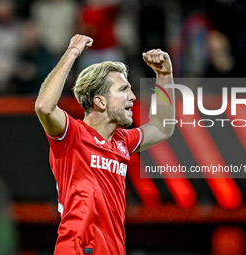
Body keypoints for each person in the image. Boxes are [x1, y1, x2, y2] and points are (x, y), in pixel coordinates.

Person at [35, 34, 175, 255]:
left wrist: (164, 75)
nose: (132, 96)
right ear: (99, 101)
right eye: (122, 90)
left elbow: (162, 127)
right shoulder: (73, 135)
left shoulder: (122, 141)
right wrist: (72, 52)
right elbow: (44, 106)